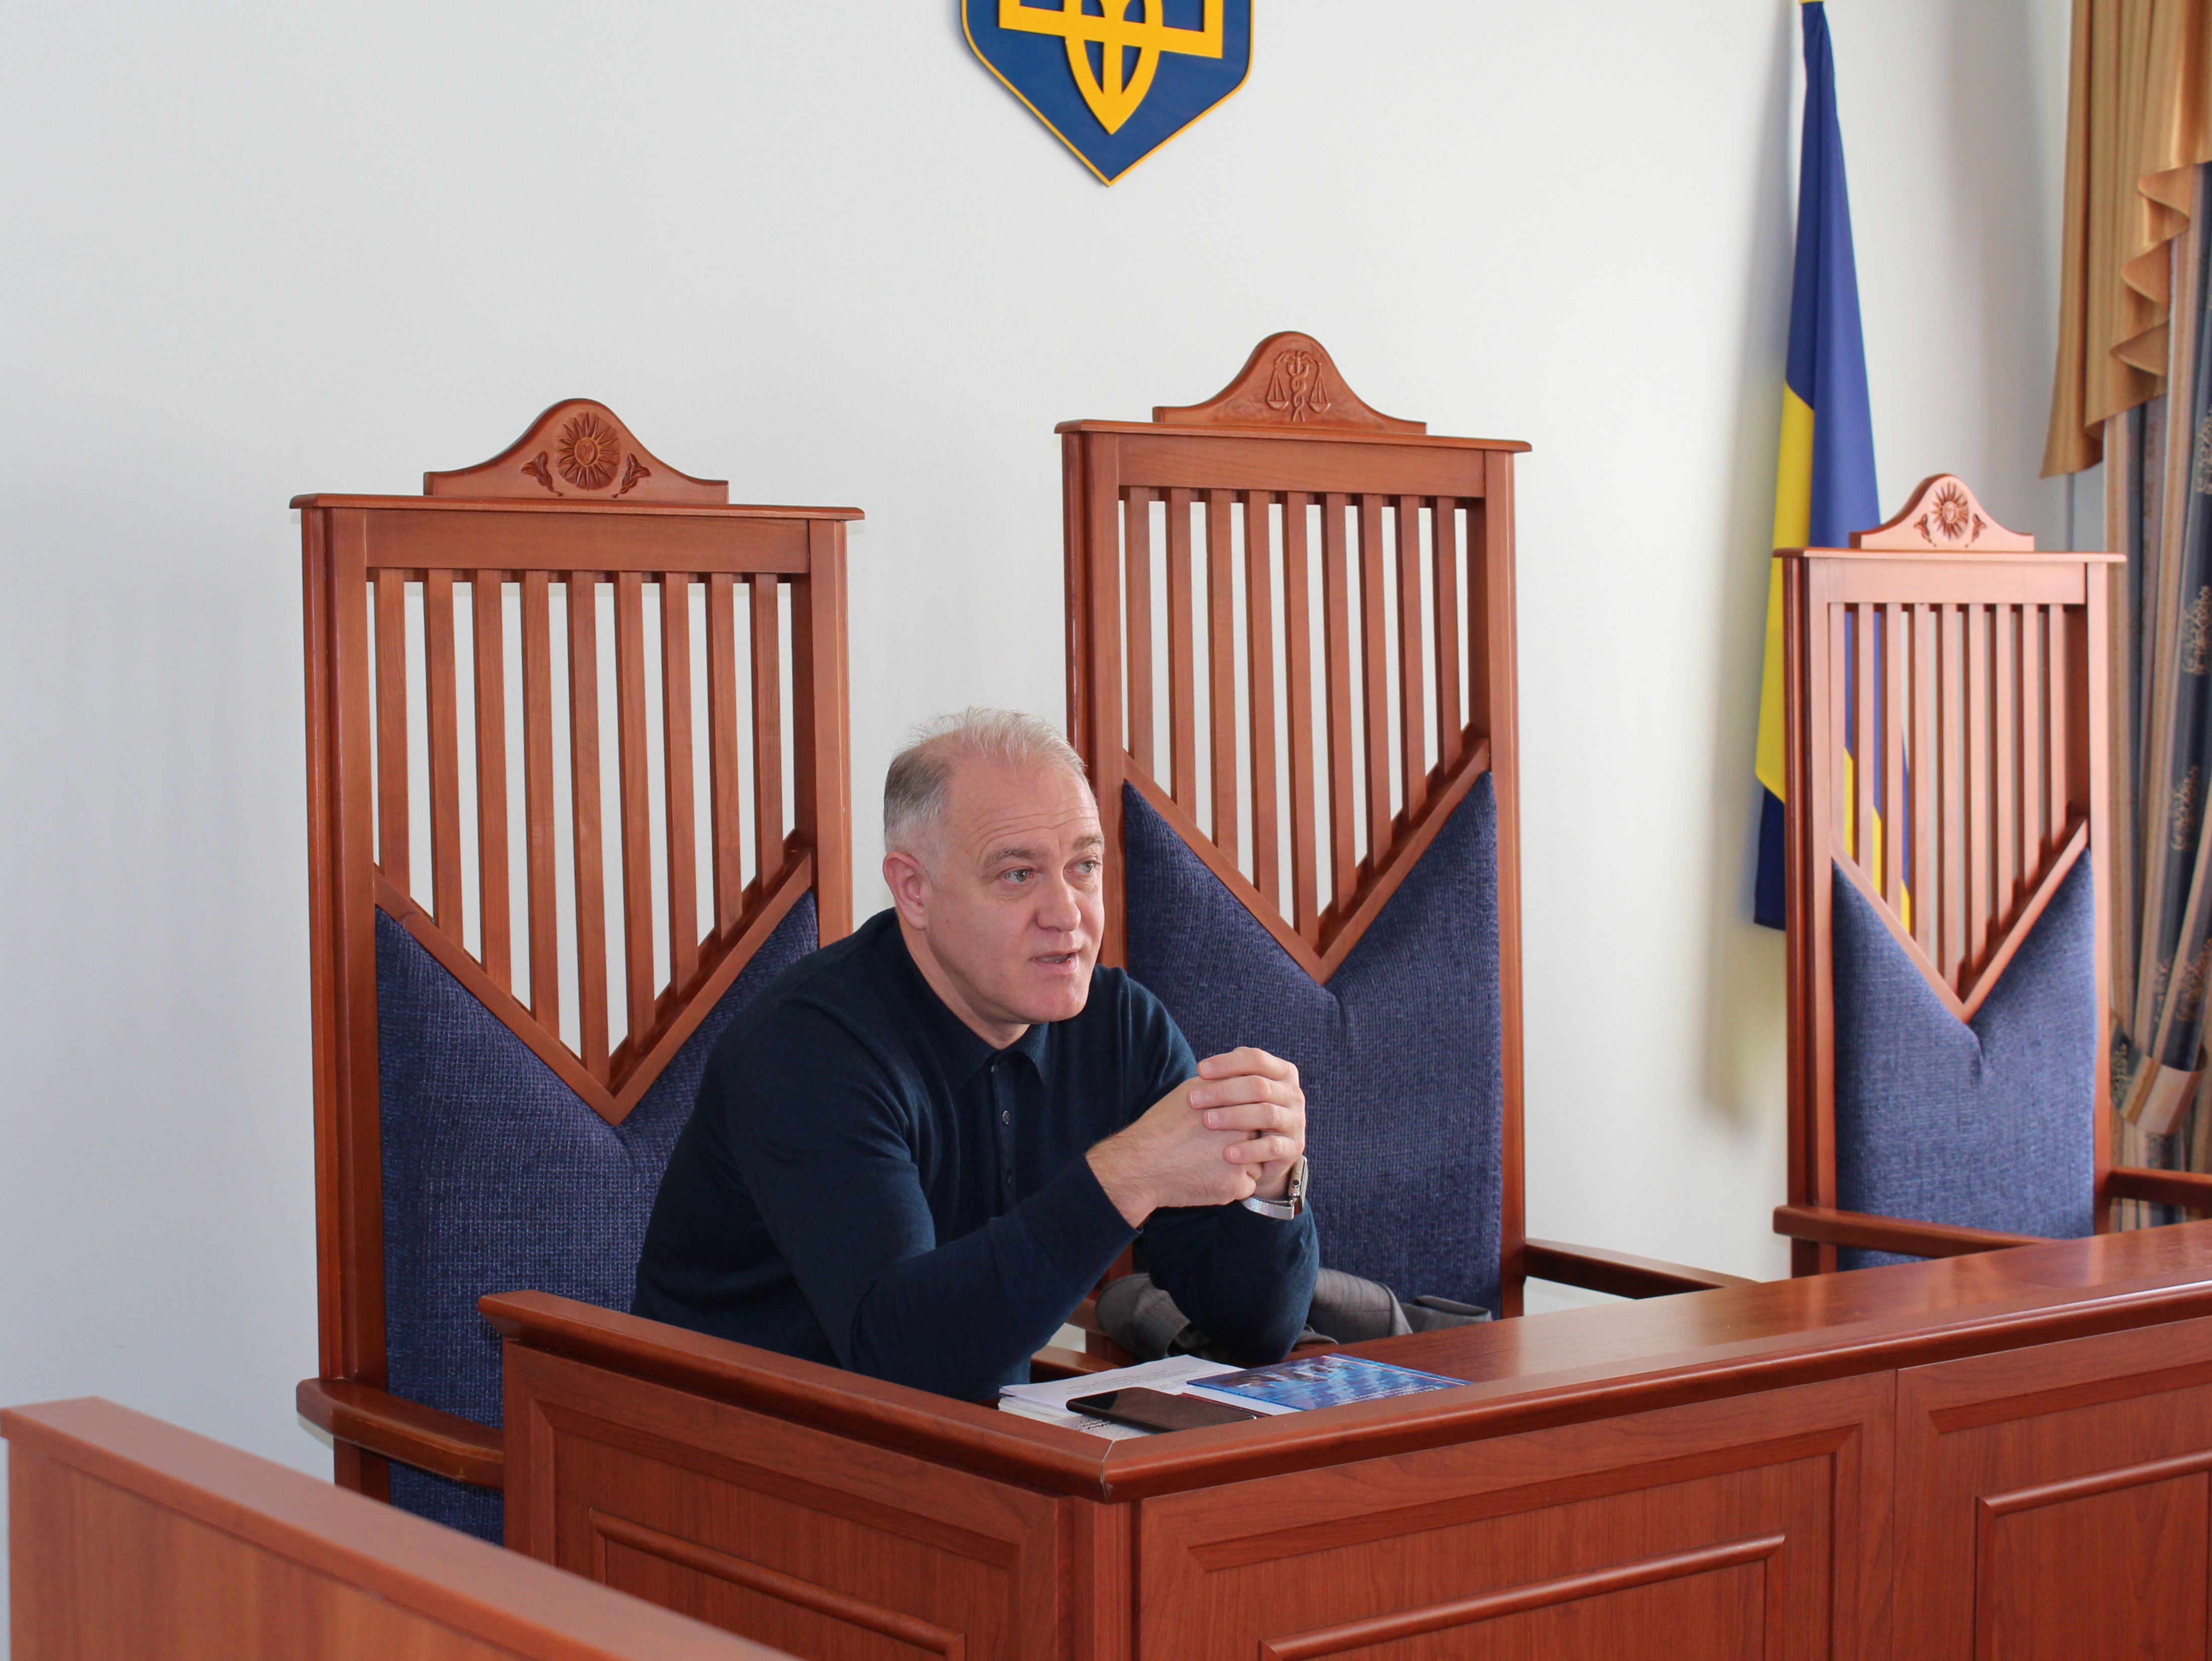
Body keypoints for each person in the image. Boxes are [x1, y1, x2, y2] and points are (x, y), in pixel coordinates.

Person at [633, 708, 1317, 1399]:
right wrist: (1125, 1178)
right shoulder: (807, 1050)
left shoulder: (1121, 1028)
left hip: (974, 1441)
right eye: (1018, 875)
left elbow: (1250, 1334)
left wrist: (1269, 1187)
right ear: (914, 890)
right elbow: (904, 1360)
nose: (1067, 913)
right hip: (736, 1439)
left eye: (1083, 866)